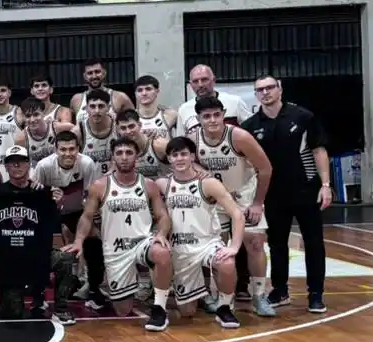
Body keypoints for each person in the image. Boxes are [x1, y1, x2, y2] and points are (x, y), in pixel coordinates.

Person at [242, 74, 332, 314]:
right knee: (277, 244)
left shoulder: (302, 116)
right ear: (256, 94)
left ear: (280, 89)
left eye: (270, 87)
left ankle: (316, 294)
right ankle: (280, 291)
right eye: (260, 89)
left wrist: (325, 185)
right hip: (273, 195)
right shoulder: (250, 126)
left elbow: (319, 150)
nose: (265, 92)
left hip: (306, 190)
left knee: (314, 243)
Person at [64, 137, 175, 330]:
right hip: (115, 249)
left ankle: (159, 309)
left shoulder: (149, 185)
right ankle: (125, 285)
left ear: (137, 157)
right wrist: (79, 241)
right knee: (123, 310)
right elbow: (87, 217)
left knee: (162, 252)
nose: (124, 157)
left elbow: (162, 215)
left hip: (142, 242)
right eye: (119, 153)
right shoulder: (100, 185)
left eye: (129, 153)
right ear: (112, 158)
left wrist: (162, 234)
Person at [180, 95, 274, 315]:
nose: (212, 120)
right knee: (218, 250)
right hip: (216, 200)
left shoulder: (240, 136)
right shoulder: (192, 139)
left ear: (223, 115)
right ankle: (223, 298)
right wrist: (203, 177)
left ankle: (259, 295)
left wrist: (258, 203)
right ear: (198, 119)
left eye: (216, 115)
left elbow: (266, 169)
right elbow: (189, 166)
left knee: (255, 243)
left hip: (244, 196)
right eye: (206, 116)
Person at [0, 146, 73, 322]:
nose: (17, 165)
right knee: (13, 316)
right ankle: (14, 291)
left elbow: (53, 224)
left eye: (21, 161)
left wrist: (57, 204)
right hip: (10, 261)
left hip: (36, 256)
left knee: (64, 259)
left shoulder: (41, 192)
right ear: (6, 167)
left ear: (29, 164)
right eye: (12, 162)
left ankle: (59, 308)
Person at [159, 136, 245, 330]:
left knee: (227, 262)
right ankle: (199, 293)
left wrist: (234, 247)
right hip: (180, 249)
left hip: (207, 244)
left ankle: (224, 307)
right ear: (169, 159)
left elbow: (237, 215)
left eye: (184, 154)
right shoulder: (162, 184)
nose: (179, 158)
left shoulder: (208, 183)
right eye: (175, 155)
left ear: (192, 156)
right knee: (187, 312)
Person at [32, 130, 103, 304]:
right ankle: (38, 287)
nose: (68, 153)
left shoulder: (87, 164)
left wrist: (86, 222)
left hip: (78, 210)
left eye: (72, 149)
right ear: (55, 150)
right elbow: (35, 198)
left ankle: (92, 286)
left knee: (93, 238)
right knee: (35, 240)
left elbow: (90, 198)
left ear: (78, 149)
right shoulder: (44, 166)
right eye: (63, 149)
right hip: (50, 211)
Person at [178, 64, 249, 133]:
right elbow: (181, 139)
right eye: (195, 81)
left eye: (204, 80)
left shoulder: (235, 102)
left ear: (214, 80)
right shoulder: (184, 110)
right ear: (191, 84)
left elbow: (250, 130)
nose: (200, 85)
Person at [115, 110, 164, 180]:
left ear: (140, 125)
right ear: (118, 130)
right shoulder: (119, 151)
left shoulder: (158, 145)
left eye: (131, 126)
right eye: (123, 128)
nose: (128, 131)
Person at [79, 88, 117, 176]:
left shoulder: (119, 128)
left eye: (101, 106)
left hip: (115, 181)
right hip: (89, 182)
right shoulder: (79, 131)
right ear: (86, 108)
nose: (96, 111)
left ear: (108, 108)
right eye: (92, 106)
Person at [133, 75, 177, 139]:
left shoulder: (171, 115)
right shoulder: (131, 117)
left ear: (157, 91)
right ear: (135, 94)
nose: (144, 93)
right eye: (140, 90)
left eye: (148, 89)